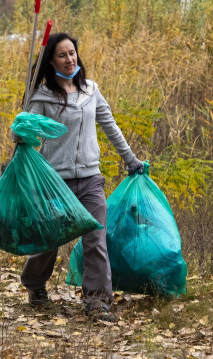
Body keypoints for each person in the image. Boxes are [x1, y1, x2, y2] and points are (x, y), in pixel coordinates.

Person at [19, 33, 144, 322]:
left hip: (90, 179)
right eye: (62, 55)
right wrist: (21, 129)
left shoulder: (90, 90)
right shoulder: (42, 96)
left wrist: (131, 160)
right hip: (55, 181)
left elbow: (110, 126)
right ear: (51, 61)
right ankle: (35, 285)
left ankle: (97, 302)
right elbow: (26, 136)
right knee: (49, 240)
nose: (69, 59)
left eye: (72, 53)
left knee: (95, 239)